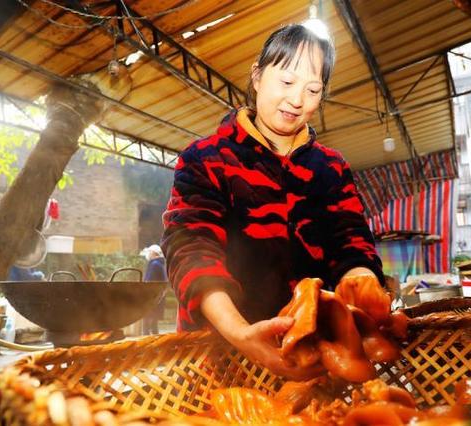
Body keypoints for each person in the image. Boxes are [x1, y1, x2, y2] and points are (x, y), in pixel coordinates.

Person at [162, 23, 384, 379]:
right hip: (222, 357)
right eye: (286, 82)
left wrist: (361, 278)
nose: (297, 101)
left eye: (313, 90)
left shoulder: (330, 167)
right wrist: (238, 332)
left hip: (315, 358)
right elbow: (192, 251)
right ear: (257, 76)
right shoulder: (205, 158)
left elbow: (352, 242)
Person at [141, 244, 167, 335]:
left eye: (150, 252)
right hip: (157, 295)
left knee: (146, 318)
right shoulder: (160, 264)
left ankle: (146, 339)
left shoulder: (154, 264)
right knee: (154, 320)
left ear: (154, 253)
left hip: (150, 295)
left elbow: (149, 281)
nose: (148, 254)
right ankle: (155, 339)